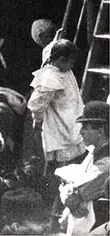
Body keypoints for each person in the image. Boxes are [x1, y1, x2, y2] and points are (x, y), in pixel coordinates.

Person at [27, 40, 85, 176]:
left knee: (74, 142)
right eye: (70, 62)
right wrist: (38, 121)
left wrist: (57, 37)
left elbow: (49, 49)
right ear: (61, 59)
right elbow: (37, 104)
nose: (71, 66)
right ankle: (52, 181)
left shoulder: (63, 69)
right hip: (58, 119)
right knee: (60, 153)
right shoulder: (50, 77)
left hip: (70, 111)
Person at [56, 101, 110, 235]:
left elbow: (92, 185)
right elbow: (69, 181)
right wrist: (70, 196)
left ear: (100, 131)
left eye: (85, 127)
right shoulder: (92, 153)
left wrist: (75, 198)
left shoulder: (106, 159)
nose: (81, 132)